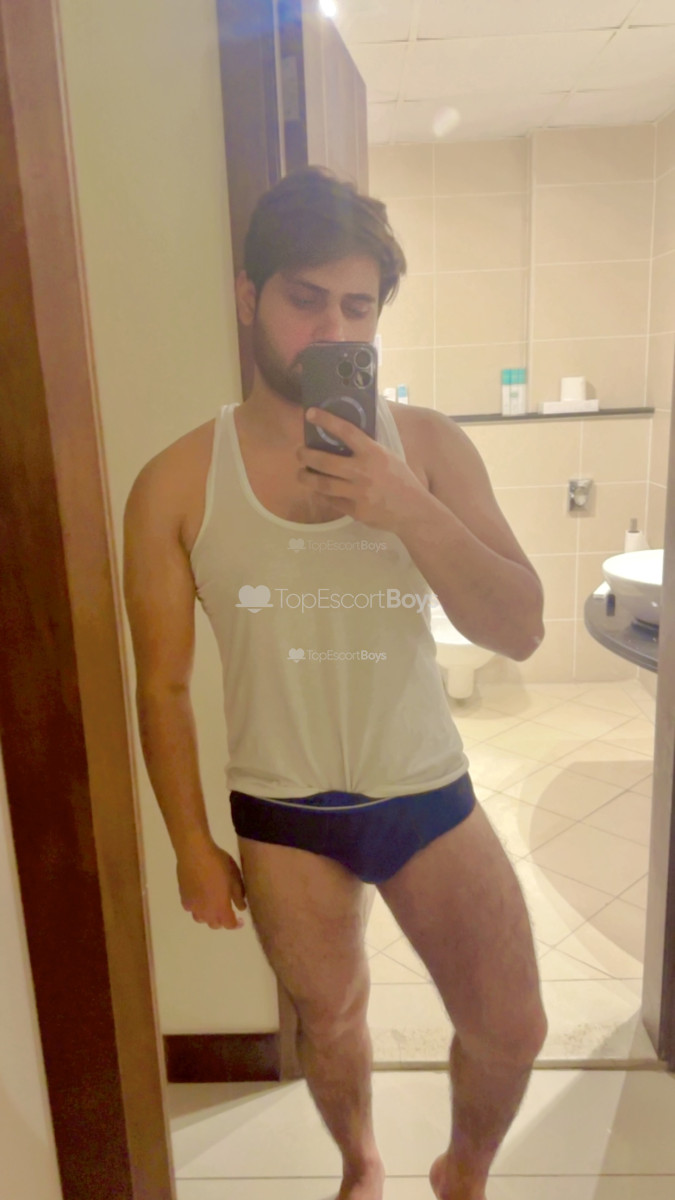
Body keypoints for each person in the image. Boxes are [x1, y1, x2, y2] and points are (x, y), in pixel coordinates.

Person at [123, 165, 548, 1200]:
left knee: (512, 1025)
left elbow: (521, 629)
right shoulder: (175, 482)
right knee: (332, 1018)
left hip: (426, 791)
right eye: (305, 298)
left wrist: (404, 505)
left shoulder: (430, 448)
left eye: (356, 307)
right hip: (281, 812)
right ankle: (360, 1165)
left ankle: (461, 1173)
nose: (330, 328)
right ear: (249, 297)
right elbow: (164, 688)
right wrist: (190, 844)